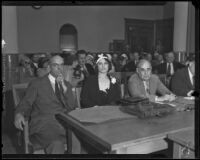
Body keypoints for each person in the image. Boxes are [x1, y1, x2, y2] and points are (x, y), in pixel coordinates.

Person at [14, 55, 75, 154]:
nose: (59, 68)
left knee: (82, 140)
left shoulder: (66, 85)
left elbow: (71, 107)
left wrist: (65, 90)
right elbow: (26, 102)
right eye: (55, 65)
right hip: (44, 124)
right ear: (49, 67)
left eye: (61, 65)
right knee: (56, 143)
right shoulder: (37, 84)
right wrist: (19, 114)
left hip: (64, 124)